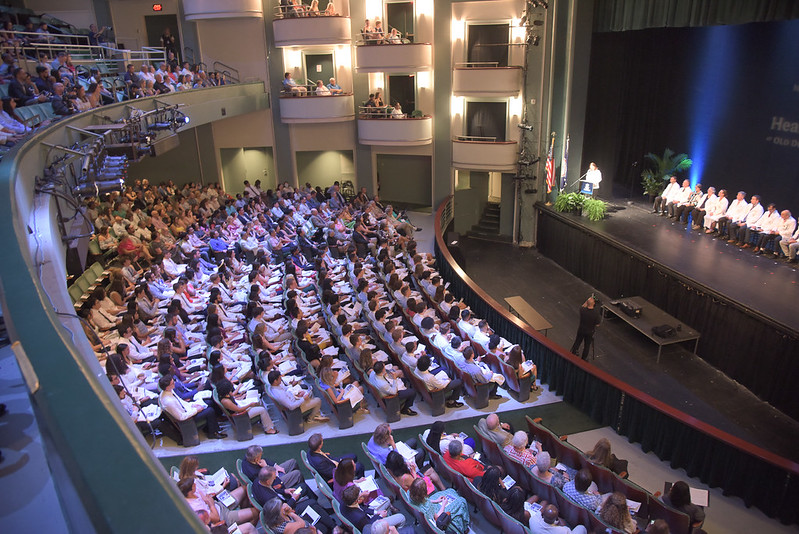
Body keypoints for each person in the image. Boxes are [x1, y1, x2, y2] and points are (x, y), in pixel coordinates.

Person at [158, 375, 226, 439]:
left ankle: (211, 428)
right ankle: (213, 433)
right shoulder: (169, 401)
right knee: (210, 410)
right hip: (186, 420)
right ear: (167, 387)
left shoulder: (168, 391)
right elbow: (181, 417)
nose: (175, 384)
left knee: (208, 403)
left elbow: (181, 402)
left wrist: (192, 405)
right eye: (172, 383)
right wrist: (196, 410)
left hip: (187, 409)